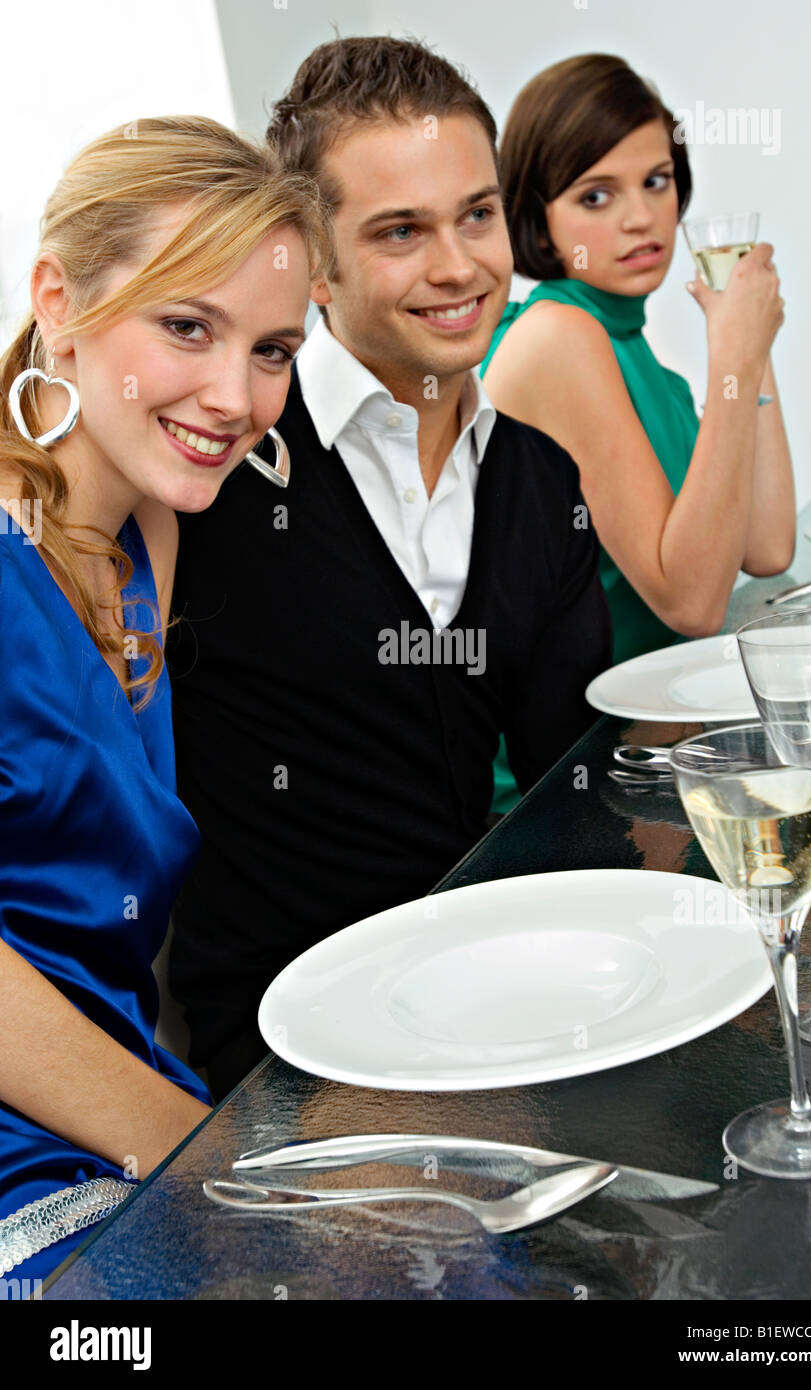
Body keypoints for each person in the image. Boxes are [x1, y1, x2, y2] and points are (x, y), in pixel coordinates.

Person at [168, 37, 612, 1100]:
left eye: (475, 214)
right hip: (289, 1054)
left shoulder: (538, 479)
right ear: (313, 267)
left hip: (493, 1000)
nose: (458, 266)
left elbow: (570, 784)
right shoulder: (212, 463)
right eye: (400, 231)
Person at [0, 114, 324, 1280]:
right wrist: (209, 1166)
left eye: (272, 349)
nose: (235, 396)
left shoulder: (146, 528)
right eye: (187, 327)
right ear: (59, 301)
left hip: (123, 1115)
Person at [481, 54, 795, 812]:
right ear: (538, 218)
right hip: (565, 785)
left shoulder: (649, 367)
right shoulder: (556, 337)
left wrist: (748, 341)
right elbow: (691, 601)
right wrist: (734, 354)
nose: (639, 217)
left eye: (656, 181)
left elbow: (766, 547)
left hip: (654, 746)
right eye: (596, 195)